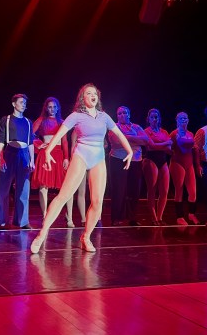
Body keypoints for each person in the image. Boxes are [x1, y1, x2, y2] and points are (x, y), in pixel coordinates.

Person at [30, 83, 133, 254]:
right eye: (88, 93)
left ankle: (86, 237)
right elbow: (60, 134)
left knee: (97, 201)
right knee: (63, 195)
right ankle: (42, 234)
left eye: (95, 93)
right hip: (81, 154)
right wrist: (48, 151)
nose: (92, 95)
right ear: (82, 98)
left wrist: (129, 150)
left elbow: (119, 133)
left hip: (98, 157)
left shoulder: (104, 117)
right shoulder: (76, 116)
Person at [0, 93, 36, 230]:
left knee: (23, 189)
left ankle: (22, 221)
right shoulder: (6, 120)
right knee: (3, 188)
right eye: (21, 102)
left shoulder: (28, 122)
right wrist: (1, 157)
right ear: (14, 104)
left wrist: (31, 160)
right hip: (9, 152)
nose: (23, 104)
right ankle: (0, 221)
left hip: (24, 155)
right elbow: (1, 140)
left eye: (25, 103)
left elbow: (30, 143)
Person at [31, 97, 72, 226]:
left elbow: (65, 141)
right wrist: (38, 144)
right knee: (44, 186)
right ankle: (45, 216)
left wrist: (66, 157)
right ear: (46, 108)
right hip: (46, 154)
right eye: (49, 107)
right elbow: (29, 135)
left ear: (58, 108)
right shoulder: (41, 120)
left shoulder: (62, 122)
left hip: (59, 154)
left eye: (54, 107)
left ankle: (69, 217)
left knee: (67, 187)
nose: (52, 109)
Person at [108, 106, 148, 226]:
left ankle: (132, 217)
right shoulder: (114, 127)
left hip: (135, 160)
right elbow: (116, 141)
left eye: (124, 112)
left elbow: (146, 140)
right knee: (119, 190)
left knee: (134, 190)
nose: (122, 115)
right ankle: (117, 217)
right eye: (119, 113)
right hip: (118, 159)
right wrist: (135, 140)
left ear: (129, 114)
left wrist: (126, 137)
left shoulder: (136, 127)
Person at [142, 108, 172, 225]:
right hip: (150, 160)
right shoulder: (146, 131)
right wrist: (164, 144)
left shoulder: (164, 132)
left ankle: (160, 217)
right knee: (152, 189)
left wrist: (158, 145)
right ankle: (154, 217)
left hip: (163, 160)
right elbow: (150, 147)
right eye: (153, 117)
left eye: (157, 116)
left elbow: (169, 149)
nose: (155, 119)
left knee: (164, 191)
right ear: (148, 119)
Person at [169, 112, 198, 225]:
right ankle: (179, 217)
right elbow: (169, 148)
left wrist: (197, 164)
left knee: (193, 191)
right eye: (181, 118)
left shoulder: (190, 133)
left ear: (188, 120)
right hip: (177, 163)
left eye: (185, 118)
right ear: (177, 120)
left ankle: (191, 215)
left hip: (189, 163)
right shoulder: (173, 134)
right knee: (179, 190)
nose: (184, 120)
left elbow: (194, 149)